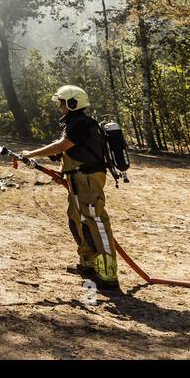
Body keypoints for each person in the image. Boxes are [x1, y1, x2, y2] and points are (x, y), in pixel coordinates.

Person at [21, 85, 120, 291]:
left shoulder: (81, 124)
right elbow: (64, 154)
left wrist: (30, 154)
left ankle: (108, 273)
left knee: (95, 221)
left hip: (88, 180)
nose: (60, 106)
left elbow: (60, 147)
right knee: (76, 219)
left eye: (62, 102)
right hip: (77, 179)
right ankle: (89, 263)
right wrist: (62, 172)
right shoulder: (73, 123)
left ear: (73, 103)